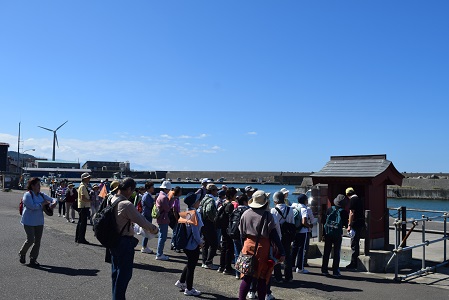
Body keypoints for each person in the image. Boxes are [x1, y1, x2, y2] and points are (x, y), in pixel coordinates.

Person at [109, 177, 158, 300]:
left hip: (112, 239)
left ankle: (116, 297)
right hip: (124, 241)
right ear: (129, 189)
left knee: (116, 272)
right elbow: (142, 221)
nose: (133, 193)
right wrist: (154, 229)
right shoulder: (126, 204)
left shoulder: (112, 198)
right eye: (133, 190)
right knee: (124, 274)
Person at [238, 190, 285, 300]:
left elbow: (241, 234)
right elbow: (274, 235)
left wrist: (243, 247)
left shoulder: (245, 213)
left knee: (247, 276)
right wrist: (282, 251)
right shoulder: (268, 215)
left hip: (247, 245)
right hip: (262, 248)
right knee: (262, 277)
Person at [19, 177, 57, 266]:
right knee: (30, 239)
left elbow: (53, 199)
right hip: (28, 221)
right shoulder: (27, 195)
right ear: (32, 186)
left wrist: (54, 203)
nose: (39, 187)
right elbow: (32, 206)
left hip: (39, 221)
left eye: (39, 185)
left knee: (38, 241)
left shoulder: (41, 195)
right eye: (37, 185)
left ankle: (33, 258)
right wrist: (42, 204)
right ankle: (22, 253)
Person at [174, 192, 204, 296]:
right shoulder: (194, 213)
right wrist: (200, 242)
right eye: (198, 200)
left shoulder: (186, 212)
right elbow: (195, 232)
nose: (199, 202)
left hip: (185, 243)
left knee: (189, 263)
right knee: (192, 266)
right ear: (195, 202)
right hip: (192, 244)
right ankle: (189, 289)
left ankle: (182, 282)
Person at [321, 194, 349, 277]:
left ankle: (324, 269)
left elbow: (324, 221)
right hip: (337, 234)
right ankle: (335, 270)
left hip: (328, 233)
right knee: (336, 252)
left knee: (326, 251)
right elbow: (345, 224)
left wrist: (323, 233)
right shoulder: (343, 212)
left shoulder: (329, 209)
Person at [271, 191, 295, 282]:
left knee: (277, 255)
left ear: (275, 201)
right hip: (288, 235)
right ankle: (289, 277)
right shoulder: (290, 209)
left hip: (277, 235)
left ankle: (278, 277)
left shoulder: (273, 210)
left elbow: (273, 224)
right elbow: (292, 223)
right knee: (287, 255)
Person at [291, 193, 313, 274]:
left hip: (295, 231)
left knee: (294, 248)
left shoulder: (294, 207)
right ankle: (300, 268)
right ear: (305, 201)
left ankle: (292, 266)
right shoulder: (304, 209)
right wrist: (309, 226)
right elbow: (304, 221)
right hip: (303, 232)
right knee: (301, 249)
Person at [199, 183, 219, 270]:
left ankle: (204, 261)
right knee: (214, 243)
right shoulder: (211, 200)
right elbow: (209, 210)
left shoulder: (204, 198)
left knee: (205, 243)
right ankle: (209, 262)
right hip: (209, 223)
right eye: (216, 190)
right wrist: (213, 218)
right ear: (212, 191)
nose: (217, 192)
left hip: (203, 223)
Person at [217, 187, 237, 275]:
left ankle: (221, 266)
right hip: (228, 228)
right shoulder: (230, 205)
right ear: (232, 195)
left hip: (222, 227)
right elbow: (230, 217)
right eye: (235, 195)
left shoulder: (224, 203)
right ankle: (227, 267)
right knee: (229, 247)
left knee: (224, 247)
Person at [346, 187, 365, 269]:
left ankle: (354, 263)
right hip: (360, 223)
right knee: (356, 242)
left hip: (355, 224)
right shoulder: (359, 199)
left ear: (347, 195)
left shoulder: (352, 200)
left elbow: (351, 213)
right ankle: (355, 261)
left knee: (354, 243)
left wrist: (349, 225)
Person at [155, 180, 174, 261]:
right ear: (166, 189)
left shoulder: (160, 195)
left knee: (161, 236)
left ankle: (159, 253)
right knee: (163, 237)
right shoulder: (164, 197)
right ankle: (159, 254)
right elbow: (167, 209)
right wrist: (172, 201)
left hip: (161, 218)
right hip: (163, 218)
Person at [75, 172, 91, 244]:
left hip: (83, 206)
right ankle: (81, 238)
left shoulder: (83, 186)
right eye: (88, 178)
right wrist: (90, 200)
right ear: (84, 179)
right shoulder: (83, 187)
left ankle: (78, 237)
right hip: (83, 206)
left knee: (81, 222)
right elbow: (83, 198)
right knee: (83, 223)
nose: (89, 179)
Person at [140, 181, 155, 254]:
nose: (153, 188)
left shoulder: (147, 195)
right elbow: (150, 205)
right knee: (147, 231)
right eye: (152, 187)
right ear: (148, 188)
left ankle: (144, 246)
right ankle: (144, 247)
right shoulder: (146, 196)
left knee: (146, 231)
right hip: (146, 215)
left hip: (147, 214)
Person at [169, 186, 182, 252]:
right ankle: (174, 244)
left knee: (175, 231)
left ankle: (173, 243)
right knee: (175, 231)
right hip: (174, 217)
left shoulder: (177, 199)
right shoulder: (175, 199)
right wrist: (177, 218)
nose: (181, 192)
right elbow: (174, 209)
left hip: (176, 216)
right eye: (180, 191)